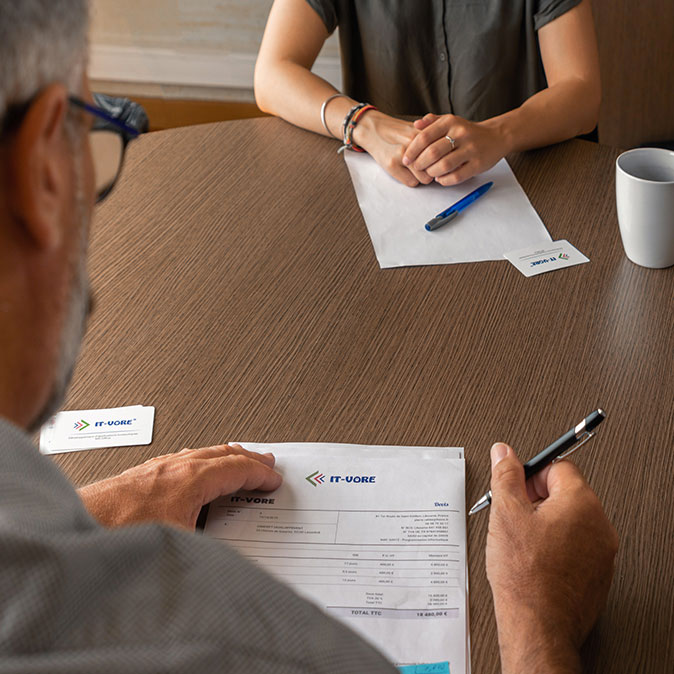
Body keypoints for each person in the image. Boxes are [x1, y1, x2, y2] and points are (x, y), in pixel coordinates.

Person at [0, 2, 617, 672]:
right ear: (45, 169)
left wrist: (96, 507)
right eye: (102, 124)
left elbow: (581, 88)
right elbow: (272, 72)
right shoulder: (253, 645)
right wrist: (537, 620)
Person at [254, 0, 601, 187]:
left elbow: (583, 92)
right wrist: (362, 122)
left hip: (528, 180)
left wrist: (500, 133)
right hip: (390, 189)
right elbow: (271, 75)